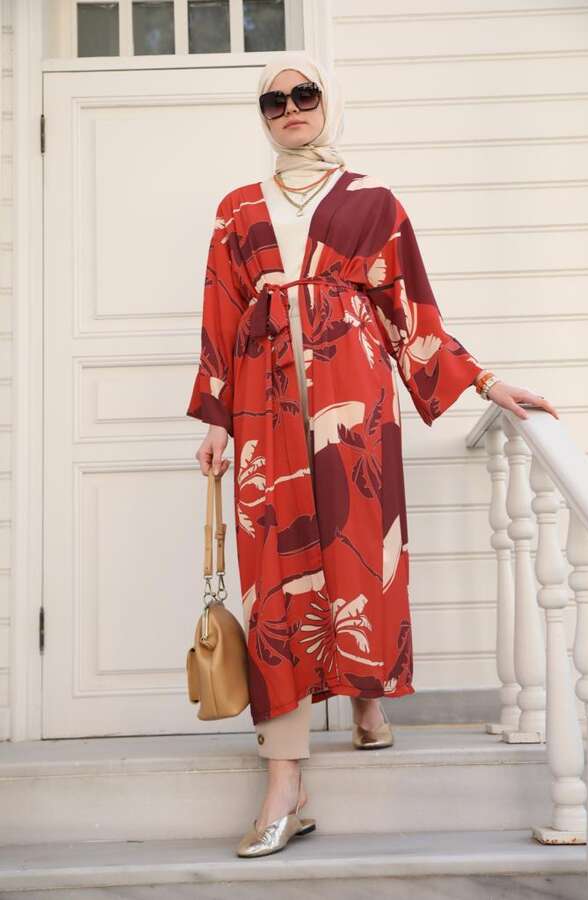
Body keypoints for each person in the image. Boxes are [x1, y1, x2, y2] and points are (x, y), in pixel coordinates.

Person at [187, 51, 559, 859]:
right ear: (262, 117)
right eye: (274, 101)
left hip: (355, 410)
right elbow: (220, 316)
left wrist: (486, 381)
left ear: (329, 102)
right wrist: (215, 417)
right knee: (276, 578)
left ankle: (365, 696)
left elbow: (411, 312)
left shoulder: (373, 201)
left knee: (361, 557)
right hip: (263, 409)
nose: (291, 108)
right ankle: (285, 782)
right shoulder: (236, 210)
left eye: (305, 93)